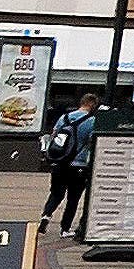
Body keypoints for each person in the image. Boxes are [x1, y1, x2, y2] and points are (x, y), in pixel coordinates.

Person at [37, 100, 88, 236]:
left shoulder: (64, 117)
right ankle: (65, 229)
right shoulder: (91, 120)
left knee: (56, 193)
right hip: (79, 166)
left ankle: (46, 215)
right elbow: (91, 141)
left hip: (60, 163)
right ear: (92, 105)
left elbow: (54, 135)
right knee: (73, 198)